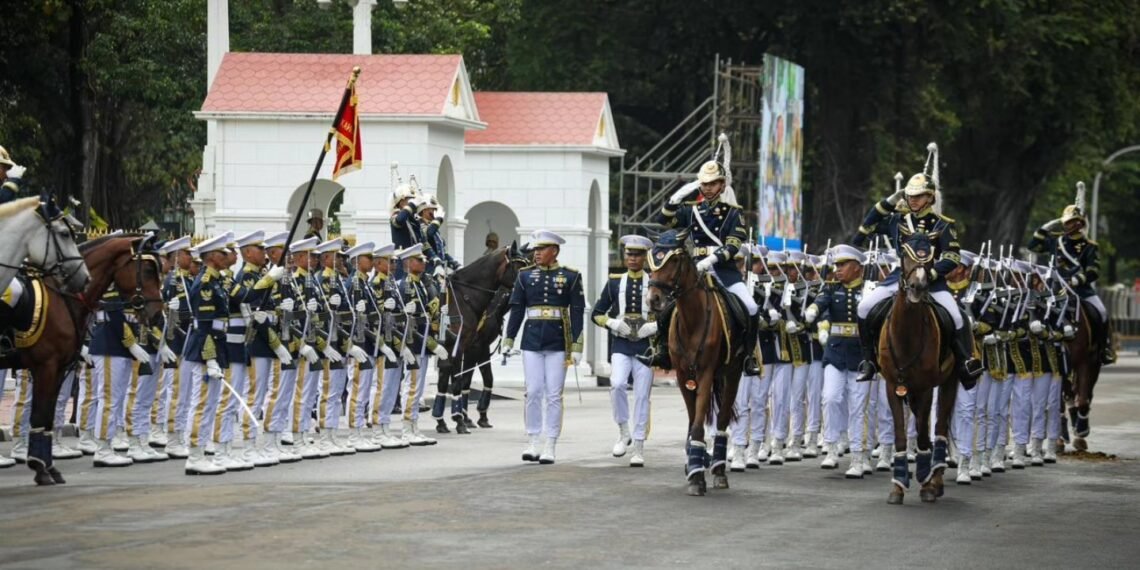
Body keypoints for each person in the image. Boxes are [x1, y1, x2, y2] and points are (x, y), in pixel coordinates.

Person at [852, 151, 982, 386]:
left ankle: (964, 362)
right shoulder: (896, 220)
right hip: (898, 279)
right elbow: (865, 229)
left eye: (919, 196)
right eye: (910, 196)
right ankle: (869, 360)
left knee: (957, 316)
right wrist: (890, 201)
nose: (912, 200)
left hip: (933, 280)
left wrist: (933, 273)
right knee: (864, 307)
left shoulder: (943, 225)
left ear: (930, 197)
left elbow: (952, 255)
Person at [644, 161, 758, 372]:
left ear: (722, 186)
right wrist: (675, 198)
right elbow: (664, 221)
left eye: (713, 183)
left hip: (723, 269)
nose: (708, 188)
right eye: (704, 183)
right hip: (694, 269)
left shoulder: (734, 213)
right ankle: (662, 351)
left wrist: (711, 259)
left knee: (751, 308)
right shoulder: (691, 210)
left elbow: (734, 244)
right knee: (668, 307)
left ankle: (748, 356)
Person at [503, 230, 586, 465]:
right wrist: (509, 339)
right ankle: (533, 440)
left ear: (555, 251)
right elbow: (517, 309)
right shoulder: (524, 276)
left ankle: (550, 442)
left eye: (541, 249)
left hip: (559, 342)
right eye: (535, 250)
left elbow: (577, 312)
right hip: (531, 340)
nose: (536, 254)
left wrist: (577, 344)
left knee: (553, 395)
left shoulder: (571, 276)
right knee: (533, 391)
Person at [1026, 185, 1114, 364]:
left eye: (1071, 222)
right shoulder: (1056, 241)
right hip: (1055, 289)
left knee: (1103, 313)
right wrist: (1046, 227)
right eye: (1066, 222)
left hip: (1080, 290)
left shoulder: (1090, 246)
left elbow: (1093, 271)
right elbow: (1033, 246)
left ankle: (1104, 348)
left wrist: (1076, 279)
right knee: (1032, 309)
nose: (1067, 225)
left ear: (1080, 223)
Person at [592, 235, 656, 467]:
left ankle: (638, 446)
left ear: (645, 258)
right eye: (629, 254)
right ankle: (623, 431)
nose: (632, 258)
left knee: (641, 396)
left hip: (646, 346)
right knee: (617, 384)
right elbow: (597, 313)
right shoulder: (614, 283)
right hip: (620, 343)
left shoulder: (654, 282)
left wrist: (654, 327)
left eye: (637, 254)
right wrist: (613, 323)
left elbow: (670, 313)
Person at [805, 245, 868, 475]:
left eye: (843, 265)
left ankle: (858, 458)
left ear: (857, 268)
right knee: (830, 398)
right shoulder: (831, 289)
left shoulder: (869, 290)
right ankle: (831, 447)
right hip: (835, 352)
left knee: (858, 407)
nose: (838, 270)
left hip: (861, 355)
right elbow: (820, 302)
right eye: (837, 266)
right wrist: (812, 310)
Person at [182, 233, 233, 475]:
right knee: (201, 403)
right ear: (212, 257)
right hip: (205, 350)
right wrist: (210, 358)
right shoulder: (204, 284)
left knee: (210, 404)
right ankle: (194, 455)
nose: (227, 258)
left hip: (215, 348)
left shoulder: (215, 282)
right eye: (223, 254)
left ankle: (201, 449)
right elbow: (203, 325)